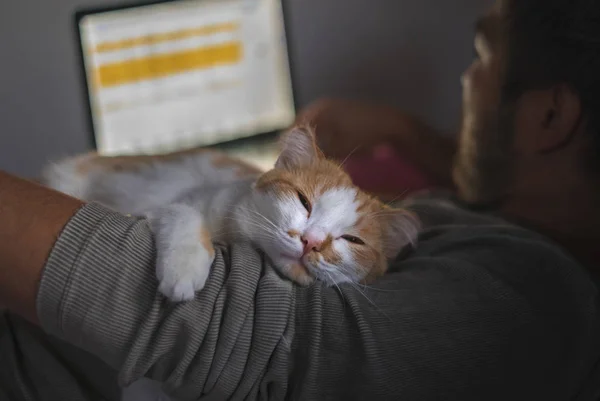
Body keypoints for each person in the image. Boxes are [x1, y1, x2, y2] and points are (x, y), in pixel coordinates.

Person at [1, 0, 600, 399]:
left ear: (550, 115)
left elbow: (212, 327)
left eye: (482, 60)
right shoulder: (502, 222)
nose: (466, 80)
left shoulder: (532, 295)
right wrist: (412, 134)